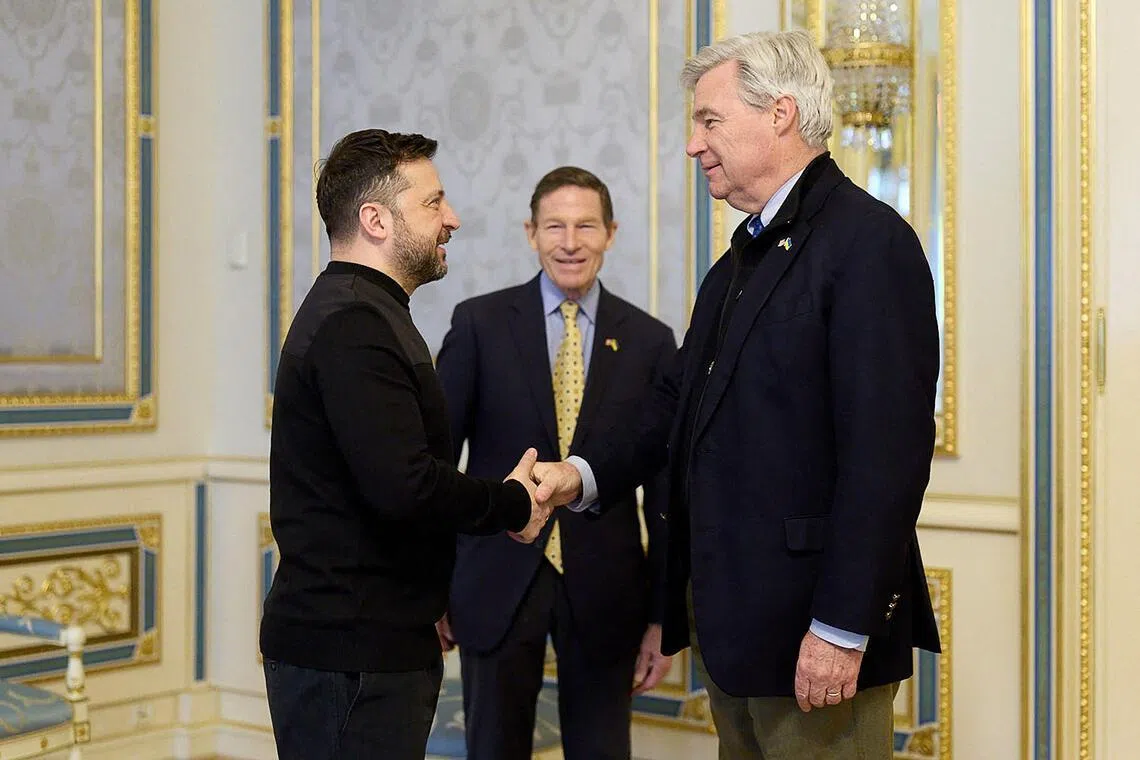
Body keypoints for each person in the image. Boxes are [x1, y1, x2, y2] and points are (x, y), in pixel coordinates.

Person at [531, 31, 942, 759]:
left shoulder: (868, 243)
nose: (694, 145)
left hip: (815, 641)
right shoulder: (737, 263)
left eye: (709, 120)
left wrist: (842, 629)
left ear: (780, 114)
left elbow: (887, 457)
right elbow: (672, 407)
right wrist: (580, 474)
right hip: (738, 635)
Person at [259, 128, 554, 760]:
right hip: (351, 648)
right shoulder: (355, 324)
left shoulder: (368, 311)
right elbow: (405, 484)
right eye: (432, 202)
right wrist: (510, 503)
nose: (452, 219)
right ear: (375, 220)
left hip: (369, 640)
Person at [434, 167, 677, 760]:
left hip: (609, 588)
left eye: (586, 226)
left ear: (611, 233)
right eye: (555, 226)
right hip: (493, 578)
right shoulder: (479, 324)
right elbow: (436, 463)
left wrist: (664, 620)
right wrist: (433, 588)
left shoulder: (651, 342)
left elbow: (669, 490)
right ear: (531, 233)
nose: (570, 242)